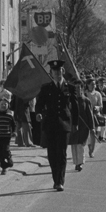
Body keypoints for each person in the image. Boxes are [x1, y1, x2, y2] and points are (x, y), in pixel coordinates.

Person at [35, 60, 80, 191]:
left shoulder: (70, 88)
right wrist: (38, 113)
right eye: (55, 71)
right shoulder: (46, 88)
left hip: (64, 124)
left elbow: (75, 107)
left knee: (61, 153)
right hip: (50, 124)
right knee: (52, 154)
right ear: (51, 73)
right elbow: (39, 104)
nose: (57, 73)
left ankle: (59, 181)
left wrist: (75, 123)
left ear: (63, 72)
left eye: (59, 71)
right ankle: (55, 178)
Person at [69, 88, 95, 172]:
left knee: (81, 145)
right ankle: (76, 162)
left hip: (83, 126)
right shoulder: (70, 100)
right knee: (74, 145)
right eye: (76, 89)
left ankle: (80, 163)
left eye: (79, 89)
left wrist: (92, 127)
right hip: (73, 126)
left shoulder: (86, 100)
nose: (78, 91)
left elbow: (90, 114)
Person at [0, 99, 16, 175]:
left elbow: (14, 125)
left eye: (5, 104)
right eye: (2, 104)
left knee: (5, 150)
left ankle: (9, 159)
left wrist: (14, 132)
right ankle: (4, 167)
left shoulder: (10, 116)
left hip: (6, 136)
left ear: (8, 106)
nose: (3, 105)